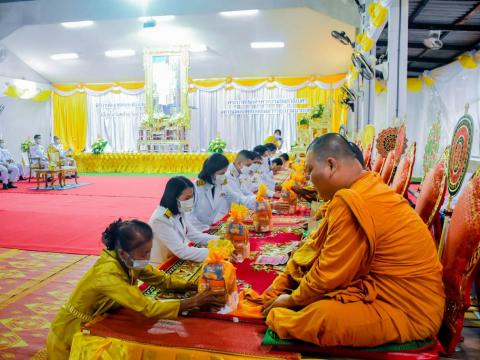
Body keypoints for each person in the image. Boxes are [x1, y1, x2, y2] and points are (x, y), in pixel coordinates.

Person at [262, 133, 444, 347]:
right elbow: (317, 249)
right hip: (386, 291)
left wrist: (291, 300)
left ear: (331, 165)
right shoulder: (366, 185)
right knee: (314, 298)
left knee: (320, 317)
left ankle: (284, 316)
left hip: (410, 310)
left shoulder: (351, 199)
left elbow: (327, 276)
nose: (308, 179)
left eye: (310, 171)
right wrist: (288, 283)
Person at [47, 219, 225, 359]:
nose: (147, 258)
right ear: (124, 253)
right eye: (144, 254)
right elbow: (147, 308)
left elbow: (161, 279)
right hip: (72, 333)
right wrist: (193, 301)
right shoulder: (108, 273)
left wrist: (192, 285)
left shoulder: (129, 258)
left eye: (149, 252)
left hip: (99, 319)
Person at [149, 176, 218, 265]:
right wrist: (215, 253)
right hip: (161, 265)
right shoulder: (160, 219)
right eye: (187, 198)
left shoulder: (179, 210)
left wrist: (221, 241)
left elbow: (194, 235)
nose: (190, 201)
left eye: (192, 197)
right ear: (174, 197)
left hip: (174, 258)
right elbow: (181, 251)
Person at [189, 153, 255, 231]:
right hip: (195, 231)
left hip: (212, 227)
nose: (224, 176)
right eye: (221, 173)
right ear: (211, 171)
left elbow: (237, 199)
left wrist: (256, 200)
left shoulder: (221, 184)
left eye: (224, 173)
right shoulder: (196, 186)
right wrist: (204, 228)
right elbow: (189, 215)